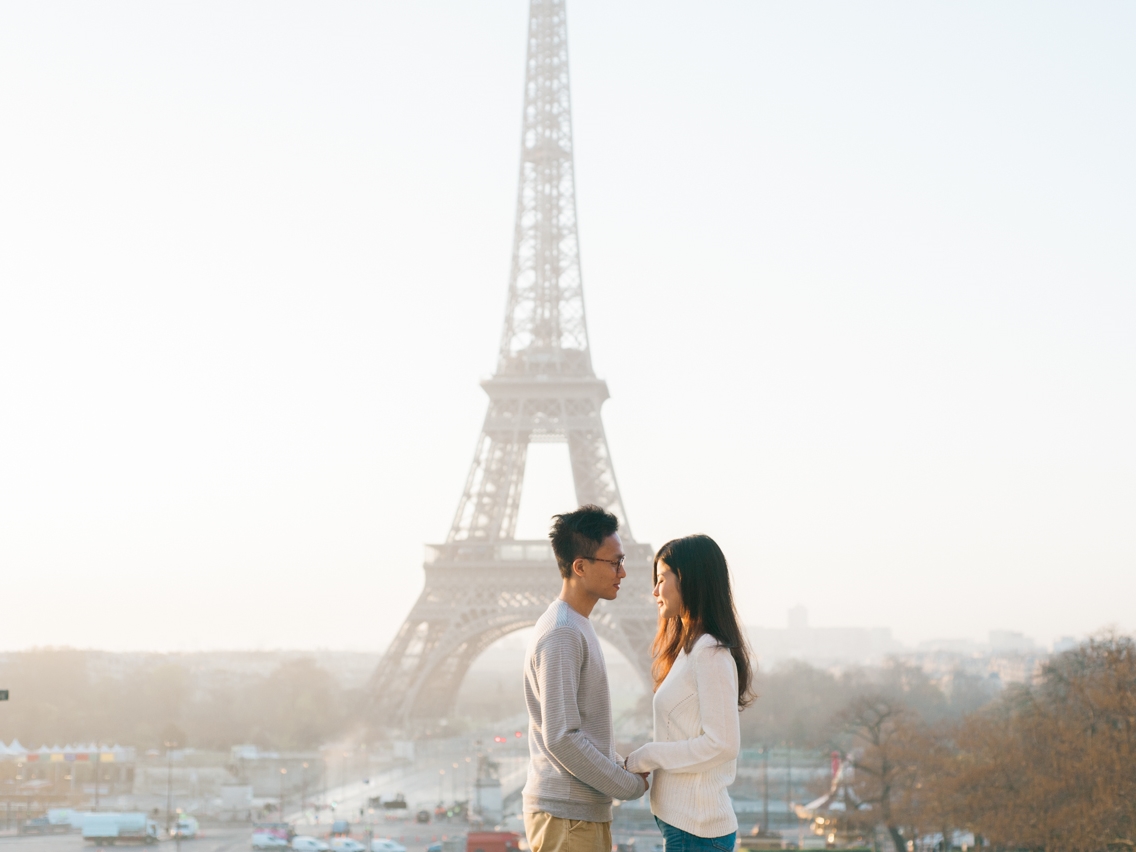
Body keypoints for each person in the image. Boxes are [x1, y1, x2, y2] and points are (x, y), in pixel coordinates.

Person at [522, 505, 650, 852]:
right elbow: (562, 737)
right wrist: (628, 785)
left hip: (575, 817)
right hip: (567, 819)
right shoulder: (563, 631)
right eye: (614, 562)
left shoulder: (573, 624)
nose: (622, 573)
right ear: (580, 566)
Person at [625, 534, 754, 852]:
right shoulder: (689, 649)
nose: (654, 592)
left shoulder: (709, 652)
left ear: (688, 580)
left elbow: (722, 744)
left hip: (696, 829)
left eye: (661, 580)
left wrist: (649, 755)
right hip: (686, 825)